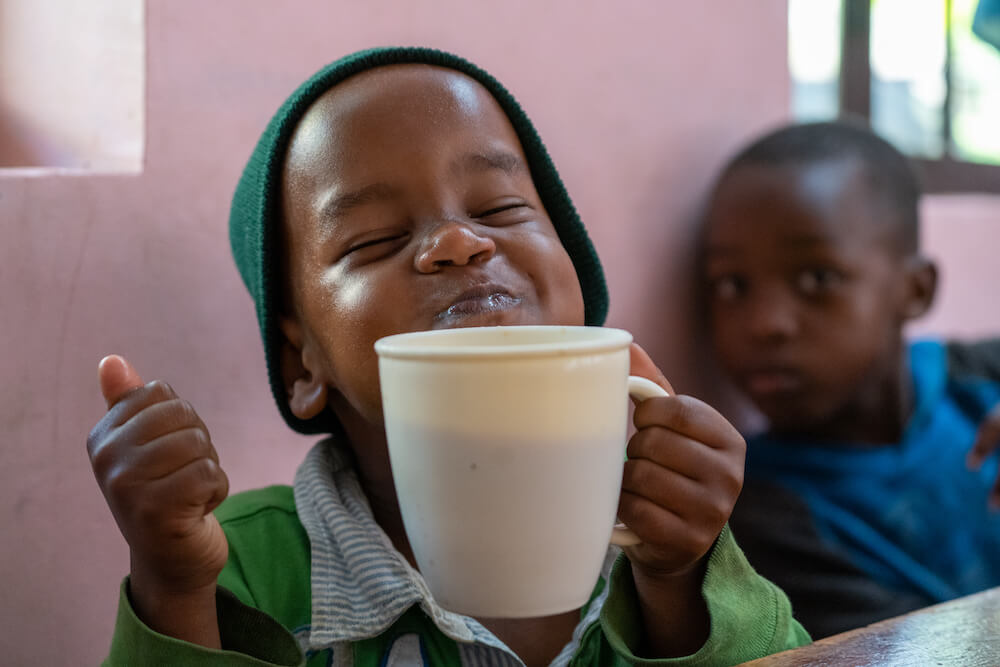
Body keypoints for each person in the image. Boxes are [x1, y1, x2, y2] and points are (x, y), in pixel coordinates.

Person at [87, 47, 809, 666]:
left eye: (499, 209)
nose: (460, 241)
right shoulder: (233, 566)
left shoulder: (657, 525)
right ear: (303, 364)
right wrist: (173, 585)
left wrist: (680, 577)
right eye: (374, 240)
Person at [699, 119, 1000, 639]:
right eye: (732, 285)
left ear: (915, 290)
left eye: (818, 278)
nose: (765, 323)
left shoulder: (980, 379)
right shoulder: (758, 516)